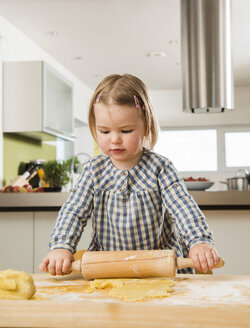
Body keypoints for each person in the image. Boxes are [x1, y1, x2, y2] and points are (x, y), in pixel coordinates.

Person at [40, 73, 219, 276]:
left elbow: (183, 208)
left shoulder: (160, 168)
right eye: (105, 132)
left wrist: (199, 241)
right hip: (107, 269)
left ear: (146, 126)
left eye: (125, 131)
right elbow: (73, 212)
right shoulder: (93, 171)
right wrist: (61, 246)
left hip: (160, 267)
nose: (115, 139)